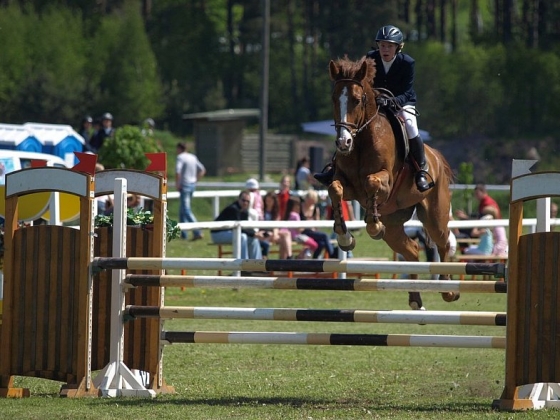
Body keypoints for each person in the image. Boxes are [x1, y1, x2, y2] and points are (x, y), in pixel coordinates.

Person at [314, 24, 431, 192]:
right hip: (377, 101)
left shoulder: (407, 63)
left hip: (402, 103)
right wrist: (376, 98)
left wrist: (392, 101)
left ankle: (420, 170)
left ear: (398, 47)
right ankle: (334, 168)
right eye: (382, 45)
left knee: (411, 125)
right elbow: (365, 85)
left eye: (389, 46)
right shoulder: (371, 58)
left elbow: (407, 91)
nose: (385, 49)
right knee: (351, 125)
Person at [210, 190, 262, 260]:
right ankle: (244, 265)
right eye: (243, 200)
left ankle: (257, 266)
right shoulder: (233, 209)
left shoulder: (244, 211)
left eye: (247, 201)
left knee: (254, 239)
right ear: (238, 199)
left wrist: (256, 234)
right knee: (242, 237)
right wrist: (254, 233)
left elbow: (246, 227)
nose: (245, 203)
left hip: (230, 233)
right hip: (217, 234)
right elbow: (240, 228)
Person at [176, 142, 206, 240]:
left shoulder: (180, 157)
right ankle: (183, 234)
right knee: (182, 210)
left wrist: (177, 183)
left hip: (184, 185)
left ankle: (197, 231)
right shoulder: (192, 157)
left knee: (186, 210)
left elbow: (178, 171)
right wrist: (195, 180)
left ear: (179, 148)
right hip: (192, 184)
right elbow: (202, 170)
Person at [300, 189, 337, 259]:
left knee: (322, 243)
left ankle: (315, 260)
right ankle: (332, 254)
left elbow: (317, 222)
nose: (312, 203)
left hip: (313, 231)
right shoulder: (300, 207)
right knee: (325, 236)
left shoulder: (315, 209)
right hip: (303, 231)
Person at [257, 191, 292, 259]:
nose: (268, 202)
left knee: (286, 235)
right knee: (284, 239)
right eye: (267, 200)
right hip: (263, 233)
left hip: (272, 233)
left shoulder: (276, 212)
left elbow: (276, 225)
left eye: (270, 200)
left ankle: (288, 257)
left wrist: (275, 234)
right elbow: (261, 226)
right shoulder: (261, 211)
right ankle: (286, 260)